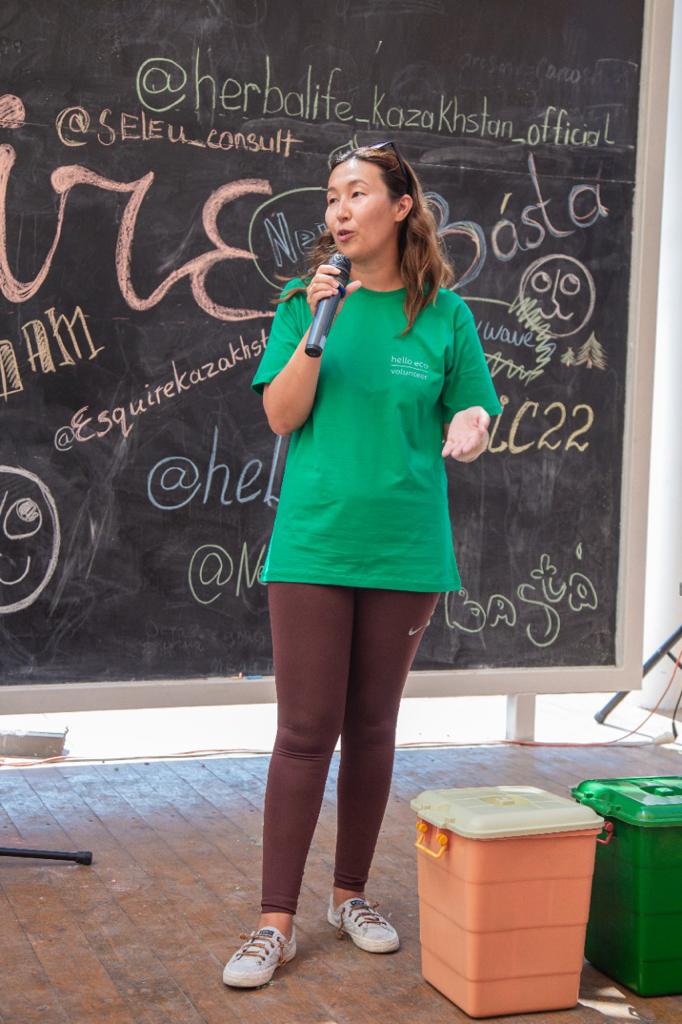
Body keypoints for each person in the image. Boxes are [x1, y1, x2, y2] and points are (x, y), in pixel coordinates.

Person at [223, 140, 503, 988]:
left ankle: (350, 896)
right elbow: (281, 416)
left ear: (401, 206)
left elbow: (474, 406)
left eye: (356, 194)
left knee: (373, 727)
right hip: (315, 542)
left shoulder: (445, 315)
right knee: (306, 731)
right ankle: (275, 923)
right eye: (331, 198)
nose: (339, 211)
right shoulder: (303, 303)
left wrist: (473, 425)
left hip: (406, 546)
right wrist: (318, 329)